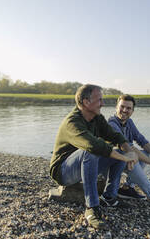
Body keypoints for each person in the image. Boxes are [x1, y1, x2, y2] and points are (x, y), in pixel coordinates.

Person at [49, 84, 138, 229]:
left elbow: (115, 136)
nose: (103, 104)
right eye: (99, 100)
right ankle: (91, 207)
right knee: (90, 151)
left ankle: (109, 197)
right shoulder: (72, 122)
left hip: (85, 166)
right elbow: (92, 145)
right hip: (63, 172)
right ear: (86, 102)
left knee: (120, 152)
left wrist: (129, 152)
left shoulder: (97, 118)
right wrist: (125, 159)